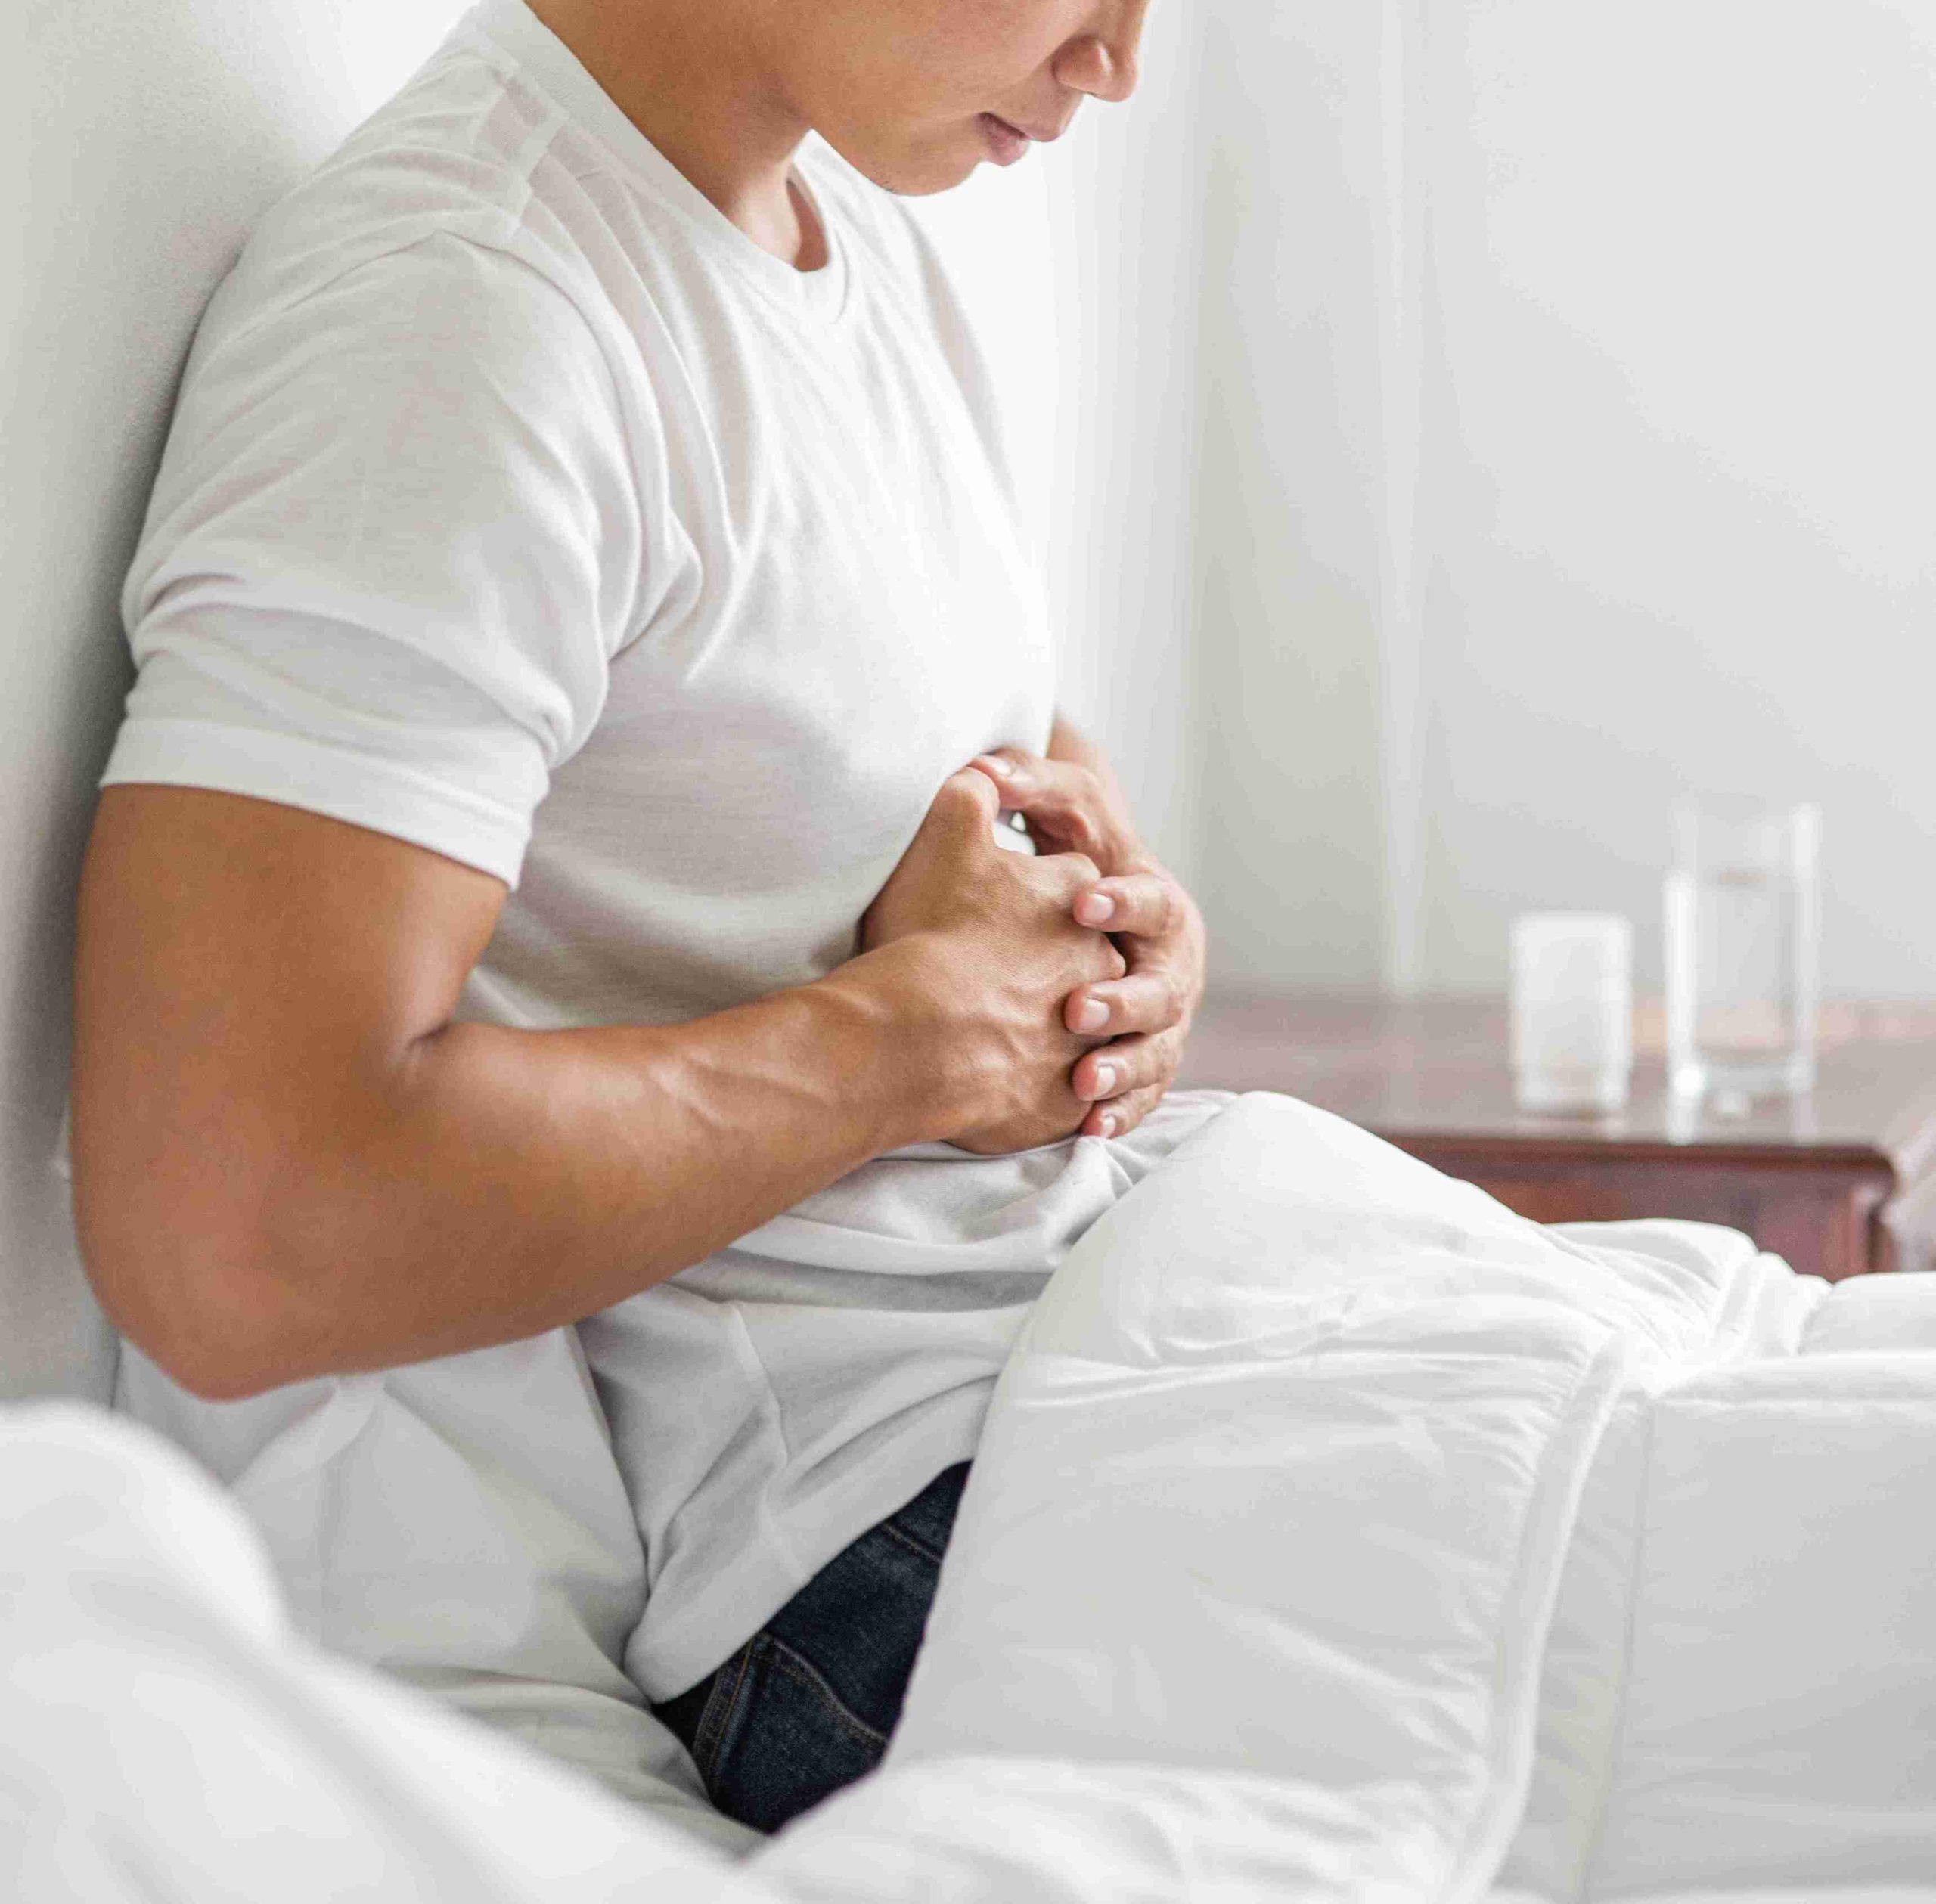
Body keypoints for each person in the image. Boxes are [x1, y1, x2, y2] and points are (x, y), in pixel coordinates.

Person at [70, 0, 1224, 1837]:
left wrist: (1117, 933)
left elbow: (951, 740)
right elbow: (233, 1223)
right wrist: (924, 1038)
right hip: (856, 1518)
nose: (1118, 60)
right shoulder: (457, 317)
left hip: (1055, 1354)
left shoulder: (859, 257)